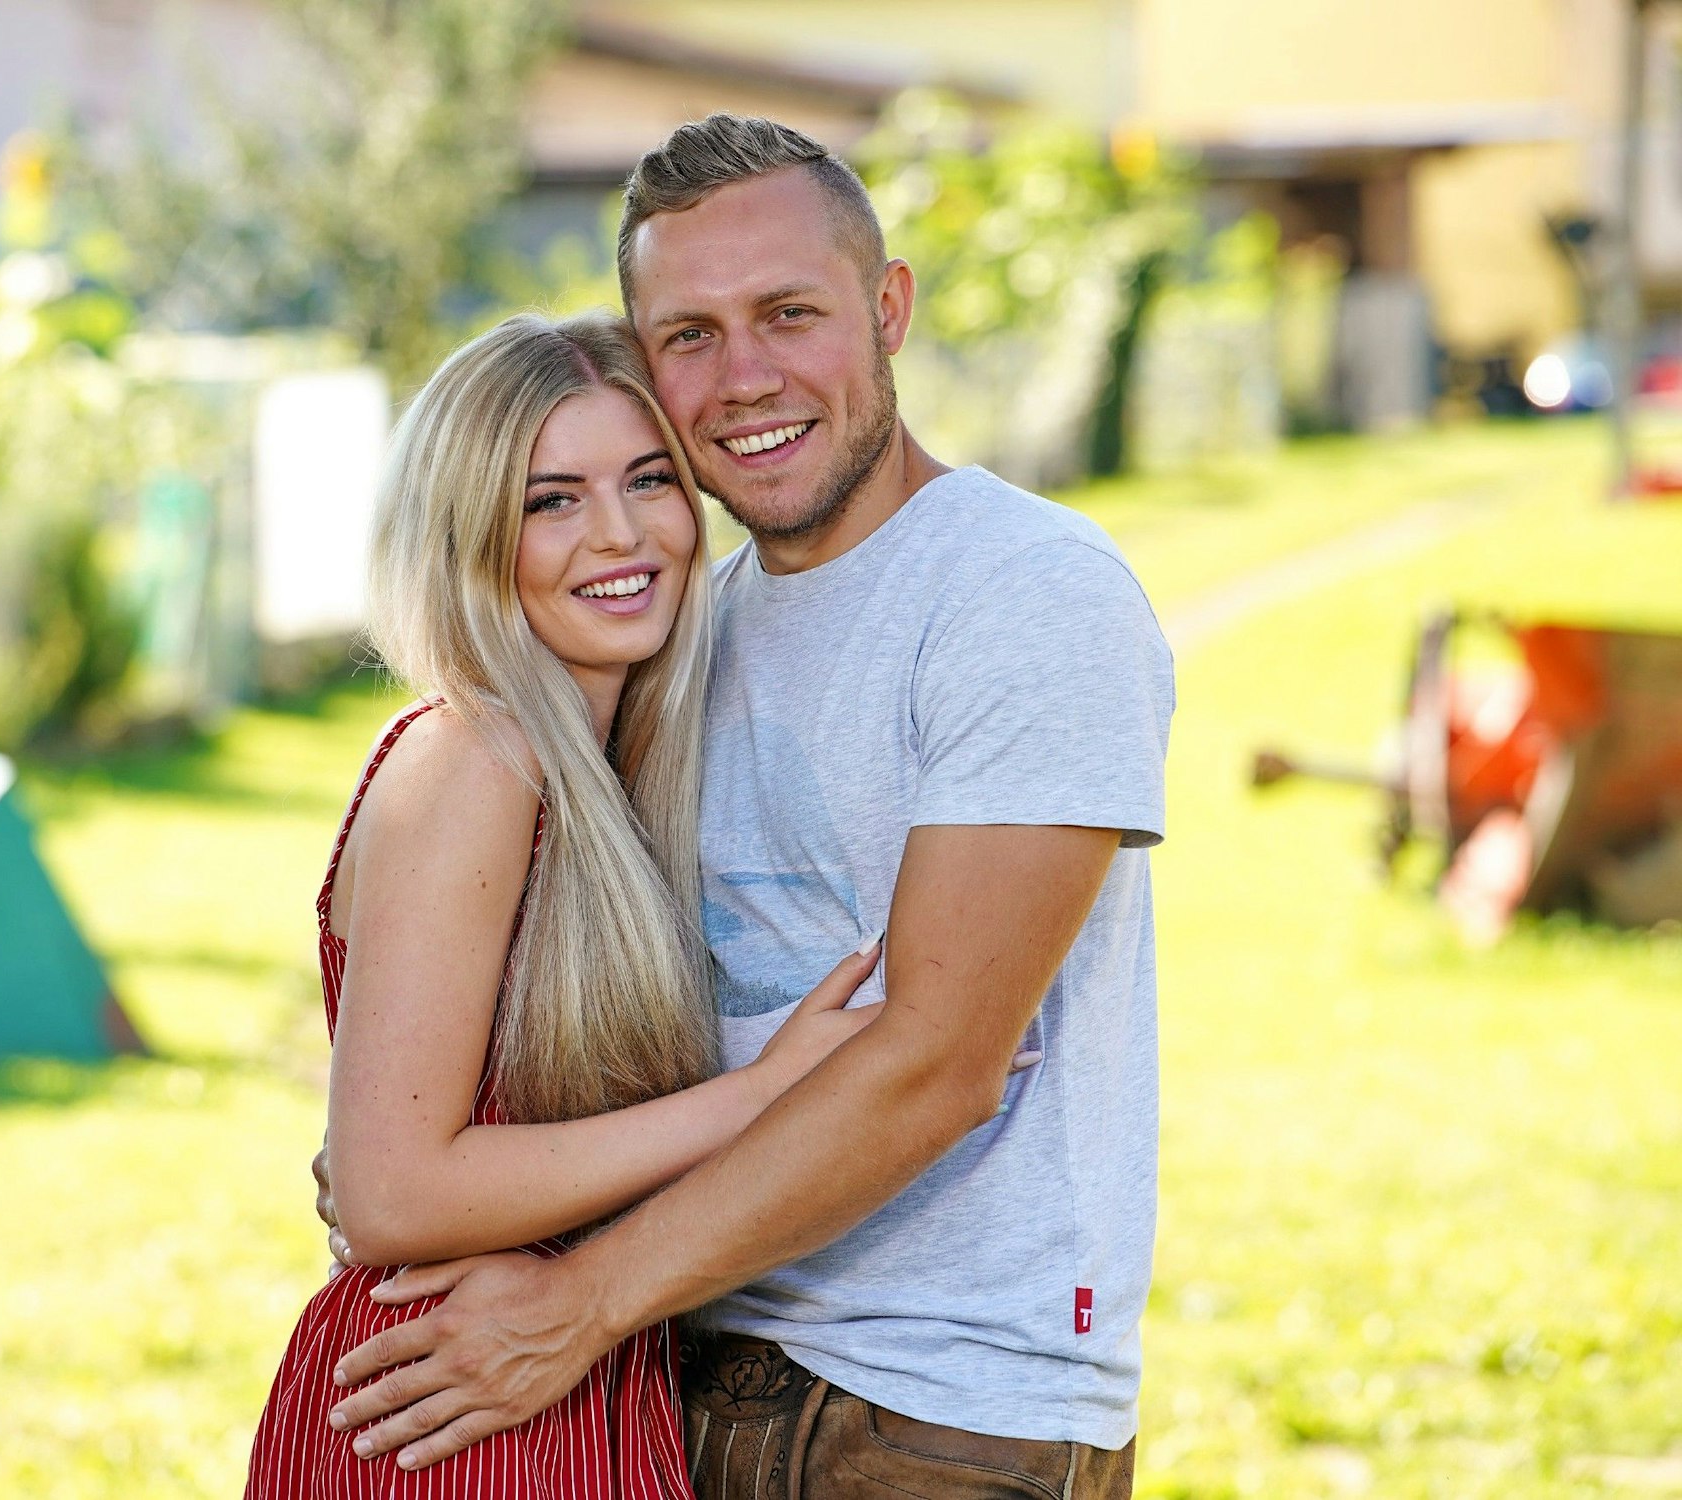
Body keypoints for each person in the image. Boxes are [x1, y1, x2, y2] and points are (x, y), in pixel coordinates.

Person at [318, 115, 1175, 1499]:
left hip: (923, 1410)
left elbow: (937, 1065)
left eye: (789, 313)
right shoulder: (674, 637)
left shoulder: (1022, 593)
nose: (745, 376)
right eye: (690, 335)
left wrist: (577, 1297)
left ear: (887, 310)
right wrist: (408, 1167)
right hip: (654, 1380)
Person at [243, 310, 889, 1499]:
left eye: (649, 479)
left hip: (563, 1372)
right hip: (452, 1408)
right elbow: (388, 1193)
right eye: (552, 500)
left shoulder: (604, 771)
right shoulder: (476, 758)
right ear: (469, 536)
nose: (620, 533)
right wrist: (759, 1096)